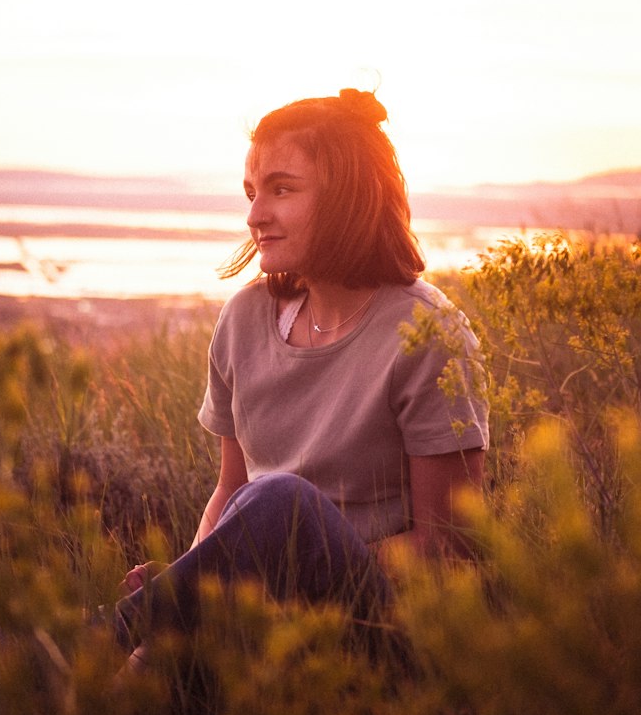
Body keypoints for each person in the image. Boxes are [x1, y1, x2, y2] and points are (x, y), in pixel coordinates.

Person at [115, 88, 489, 666]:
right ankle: (120, 649)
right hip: (264, 616)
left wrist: (281, 575)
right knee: (144, 677)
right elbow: (228, 492)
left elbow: (450, 546)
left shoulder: (428, 334)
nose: (254, 214)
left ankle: (100, 639)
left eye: (281, 189)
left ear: (348, 197)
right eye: (251, 192)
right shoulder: (244, 320)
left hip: (377, 629)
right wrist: (197, 579)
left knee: (282, 502)